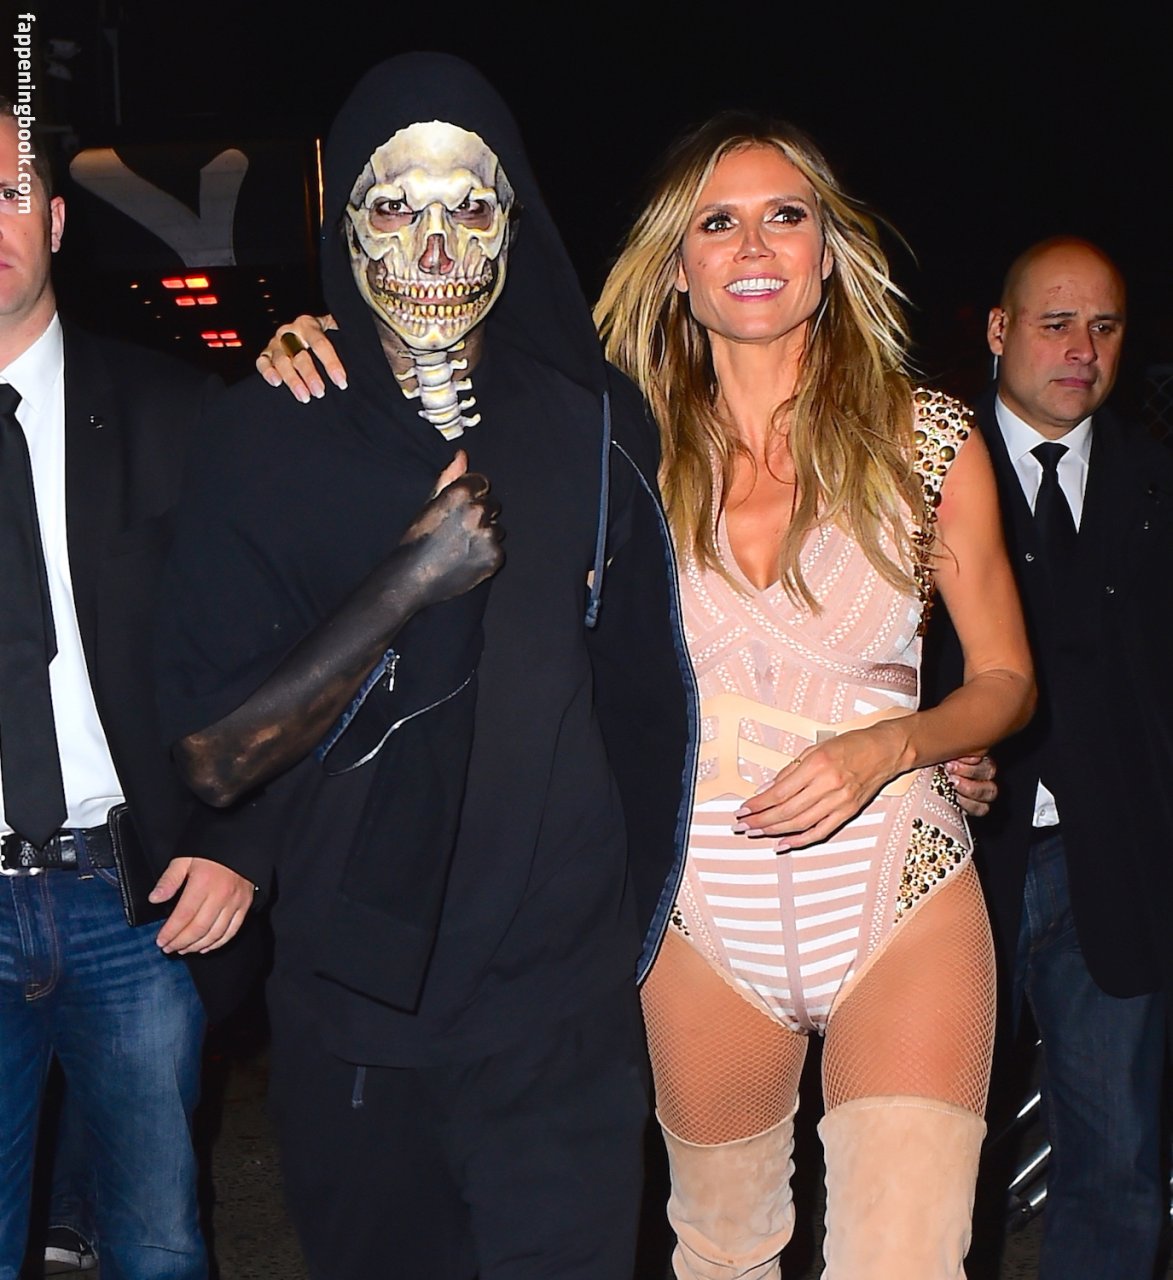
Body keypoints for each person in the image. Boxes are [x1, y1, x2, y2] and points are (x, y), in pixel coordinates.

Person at [153, 54, 694, 1280]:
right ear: (346, 222)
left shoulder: (595, 422)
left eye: (469, 205)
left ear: (514, 219)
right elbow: (215, 751)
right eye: (396, 206)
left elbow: (644, 682)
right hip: (359, 1016)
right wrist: (408, 580)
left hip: (560, 1012)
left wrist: (626, 936)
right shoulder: (264, 431)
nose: (436, 244)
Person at [590, 114, 1035, 1279]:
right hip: (699, 912)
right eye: (717, 221)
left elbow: (1005, 678)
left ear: (827, 253)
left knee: (906, 1259)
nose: (754, 244)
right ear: (677, 266)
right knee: (721, 1252)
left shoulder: (926, 438)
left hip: (901, 885)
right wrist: (319, 349)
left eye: (785, 215)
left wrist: (897, 744)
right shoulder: (621, 453)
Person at [0, 97, 262, 1280]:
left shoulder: (176, 410)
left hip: (131, 899)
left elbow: (262, 648)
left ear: (55, 218)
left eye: (9, 192)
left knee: (157, 1245)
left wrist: (236, 840)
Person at [922, 238, 1173, 1280]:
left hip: (1117, 868)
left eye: (1104, 327)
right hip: (954, 867)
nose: (1082, 350)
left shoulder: (1155, 480)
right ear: (998, 329)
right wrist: (930, 751)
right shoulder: (919, 471)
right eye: (1055, 323)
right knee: (935, 1159)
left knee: (1117, 1161)